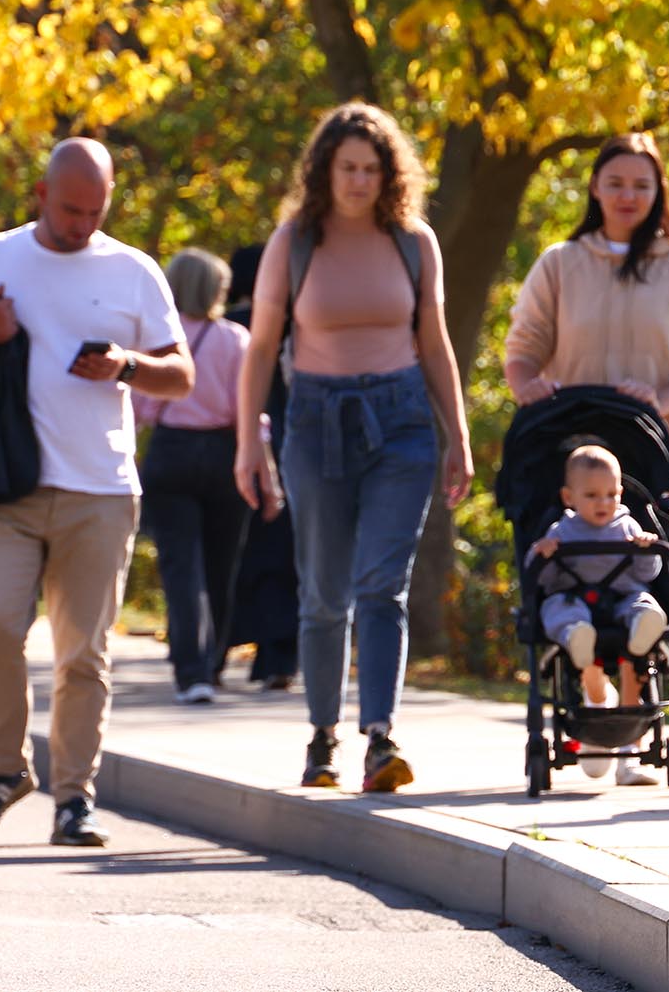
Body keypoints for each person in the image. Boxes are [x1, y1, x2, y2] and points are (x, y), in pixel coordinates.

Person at [0, 139, 194, 847]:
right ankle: (4, 769)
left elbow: (182, 375)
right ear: (41, 195)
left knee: (82, 655)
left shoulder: (133, 270)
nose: (81, 224)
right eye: (71, 209)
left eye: (95, 211)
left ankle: (75, 799)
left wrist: (127, 366)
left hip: (98, 488)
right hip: (2, 486)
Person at [233, 103, 473, 793]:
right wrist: (251, 439)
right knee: (324, 592)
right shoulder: (294, 242)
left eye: (372, 169)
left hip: (400, 420)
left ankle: (380, 738)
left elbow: (434, 341)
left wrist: (456, 434)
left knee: (382, 585)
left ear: (389, 174)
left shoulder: (414, 242)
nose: (359, 181)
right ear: (324, 170)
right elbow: (260, 347)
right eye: (348, 168)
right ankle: (321, 737)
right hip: (315, 419)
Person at [505, 131, 669, 583]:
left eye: (641, 185)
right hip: (573, 451)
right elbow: (523, 348)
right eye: (616, 183)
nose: (628, 195)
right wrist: (526, 386)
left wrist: (658, 398)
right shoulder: (560, 263)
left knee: (654, 582)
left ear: (659, 189)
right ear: (595, 187)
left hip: (659, 448)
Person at [134, 247, 251, 705]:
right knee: (222, 565)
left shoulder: (159, 343)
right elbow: (248, 412)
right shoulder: (235, 339)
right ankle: (214, 660)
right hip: (224, 452)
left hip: (172, 452)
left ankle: (191, 669)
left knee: (182, 568)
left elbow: (141, 407)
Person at [530, 444, 668, 788]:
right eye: (591, 495)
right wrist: (544, 555)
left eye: (610, 494)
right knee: (560, 607)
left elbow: (649, 572)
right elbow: (543, 582)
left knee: (642, 602)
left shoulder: (627, 525)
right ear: (569, 497)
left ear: (620, 493)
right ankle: (576, 636)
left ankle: (644, 625)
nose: (603, 503)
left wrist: (646, 550)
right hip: (577, 602)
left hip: (621, 601)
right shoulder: (562, 531)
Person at [222, 244, 299, 690]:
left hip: (236, 444)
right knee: (283, 557)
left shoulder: (229, 325)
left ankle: (214, 651)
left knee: (235, 555)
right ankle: (278, 658)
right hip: (290, 444)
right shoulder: (295, 325)